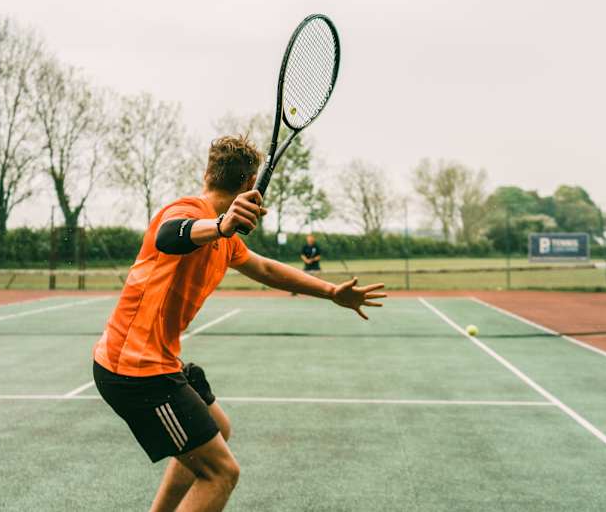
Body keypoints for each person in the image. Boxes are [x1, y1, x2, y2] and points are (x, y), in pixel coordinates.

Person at [92, 135, 386, 512]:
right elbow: (171, 236)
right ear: (250, 185)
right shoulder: (187, 211)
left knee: (219, 430)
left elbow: (264, 268)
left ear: (207, 173)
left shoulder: (227, 238)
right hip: (134, 372)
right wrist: (219, 224)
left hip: (151, 360)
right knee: (221, 473)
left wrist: (331, 291)